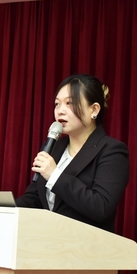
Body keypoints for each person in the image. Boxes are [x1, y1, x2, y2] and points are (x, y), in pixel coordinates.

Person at [15, 74, 129, 233]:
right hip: (48, 240)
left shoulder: (111, 151)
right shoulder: (54, 148)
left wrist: (54, 175)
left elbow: (101, 207)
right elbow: (35, 199)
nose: (60, 111)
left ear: (94, 110)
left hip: (86, 243)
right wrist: (3, 208)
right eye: (57, 104)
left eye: (69, 103)